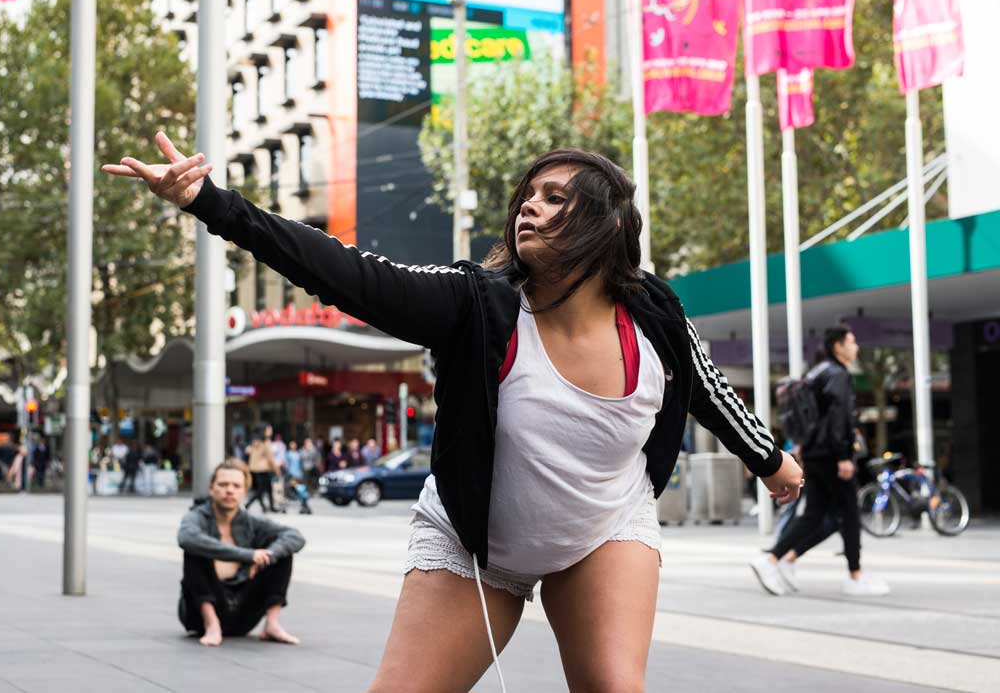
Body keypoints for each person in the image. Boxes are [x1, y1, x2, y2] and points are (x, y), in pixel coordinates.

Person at [106, 134, 802, 691]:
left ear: (606, 222)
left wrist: (770, 458)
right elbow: (346, 270)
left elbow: (708, 386)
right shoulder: (479, 302)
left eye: (555, 197)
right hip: (477, 545)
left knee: (615, 685)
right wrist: (212, 202)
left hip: (603, 530)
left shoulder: (653, 309)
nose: (529, 205)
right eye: (527, 195)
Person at [752, 327, 889, 597]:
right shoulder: (837, 375)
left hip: (815, 454)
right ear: (837, 346)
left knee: (815, 514)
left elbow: (813, 417)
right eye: (851, 341)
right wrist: (844, 456)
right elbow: (839, 418)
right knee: (849, 514)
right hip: (831, 456)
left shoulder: (817, 372)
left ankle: (778, 559)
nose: (856, 346)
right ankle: (854, 576)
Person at [177, 458, 305, 646]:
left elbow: (295, 537)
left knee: (280, 551)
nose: (230, 490)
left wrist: (268, 555)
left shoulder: (252, 523)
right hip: (199, 614)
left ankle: (272, 623)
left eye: (236, 486)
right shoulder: (197, 517)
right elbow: (187, 538)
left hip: (242, 612)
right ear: (212, 489)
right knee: (194, 550)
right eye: (223, 484)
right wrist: (249, 555)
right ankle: (212, 624)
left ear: (244, 491)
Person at [245, 431, 278, 513]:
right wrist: (276, 469)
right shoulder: (264, 445)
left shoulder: (253, 446)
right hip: (263, 470)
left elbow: (247, 452)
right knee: (264, 490)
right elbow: (270, 458)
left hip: (253, 470)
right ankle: (250, 503)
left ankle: (265, 506)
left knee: (260, 489)